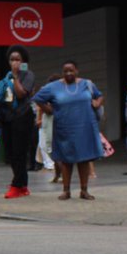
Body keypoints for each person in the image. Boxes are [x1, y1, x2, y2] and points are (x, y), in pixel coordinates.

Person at [32, 61, 103, 200]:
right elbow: (38, 98)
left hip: (85, 127)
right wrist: (48, 110)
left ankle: (84, 190)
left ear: (77, 71)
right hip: (64, 128)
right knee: (66, 160)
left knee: (84, 159)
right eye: (65, 71)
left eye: (71, 70)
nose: (68, 73)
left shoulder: (87, 84)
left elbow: (99, 95)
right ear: (62, 72)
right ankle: (66, 190)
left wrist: (97, 102)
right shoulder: (53, 87)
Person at [0, 45, 36, 198]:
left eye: (18, 59)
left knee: (19, 152)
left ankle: (16, 185)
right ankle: (23, 185)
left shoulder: (28, 75)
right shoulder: (7, 77)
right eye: (12, 60)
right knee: (10, 153)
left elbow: (20, 94)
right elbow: (1, 95)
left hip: (22, 117)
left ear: (23, 61)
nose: (14, 62)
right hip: (8, 118)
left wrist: (16, 76)